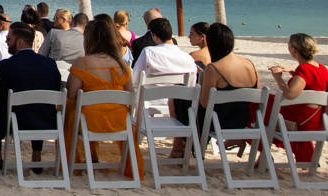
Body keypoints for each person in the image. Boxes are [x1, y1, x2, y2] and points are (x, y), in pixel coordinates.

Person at [64, 17, 144, 180]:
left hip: (89, 122)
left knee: (69, 111)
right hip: (119, 121)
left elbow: (71, 95)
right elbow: (129, 97)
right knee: (85, 110)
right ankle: (93, 155)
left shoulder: (83, 63)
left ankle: (79, 159)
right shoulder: (122, 65)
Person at [0, 23, 62, 167]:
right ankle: (36, 154)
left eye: (9, 39)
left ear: (20, 42)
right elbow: (56, 90)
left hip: (17, 123)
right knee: (39, 105)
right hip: (47, 121)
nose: (6, 42)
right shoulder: (49, 64)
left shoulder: (6, 65)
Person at [131, 17, 198, 158]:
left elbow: (135, 80)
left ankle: (132, 148)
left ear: (154, 36)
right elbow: (191, 86)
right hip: (178, 104)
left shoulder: (149, 52)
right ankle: (178, 143)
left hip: (150, 102)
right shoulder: (187, 58)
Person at [267, 33, 328, 164]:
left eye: (289, 45)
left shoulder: (303, 70)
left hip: (297, 123)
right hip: (315, 121)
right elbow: (312, 83)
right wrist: (292, 72)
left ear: (294, 50)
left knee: (258, 108)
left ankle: (262, 153)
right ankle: (263, 157)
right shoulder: (322, 69)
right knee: (268, 104)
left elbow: (290, 94)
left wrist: (278, 77)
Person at [196, 23, 259, 138]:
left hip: (221, 124)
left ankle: (181, 146)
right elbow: (256, 99)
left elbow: (205, 104)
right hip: (245, 123)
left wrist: (202, 78)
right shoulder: (250, 65)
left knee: (185, 106)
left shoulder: (213, 68)